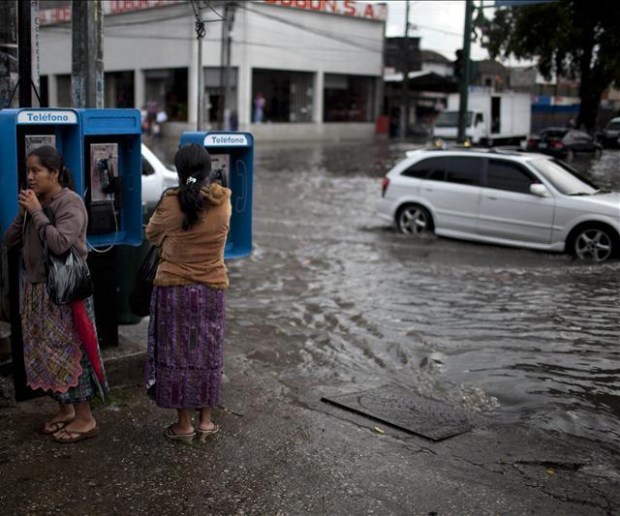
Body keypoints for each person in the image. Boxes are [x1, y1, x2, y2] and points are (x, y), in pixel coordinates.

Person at [3, 145, 108, 443]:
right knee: (46, 353)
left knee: (68, 353)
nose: (31, 177)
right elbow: (9, 240)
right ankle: (66, 410)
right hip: (37, 290)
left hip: (64, 293)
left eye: (37, 171)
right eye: (28, 171)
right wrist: (25, 213)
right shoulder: (36, 204)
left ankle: (85, 417)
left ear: (55, 172)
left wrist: (37, 213)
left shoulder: (70, 203)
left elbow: (60, 243)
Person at [145, 143, 231, 443]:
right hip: (211, 289)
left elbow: (151, 235)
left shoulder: (170, 203)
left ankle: (183, 425)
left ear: (179, 172)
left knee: (176, 353)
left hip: (173, 290)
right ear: (210, 170)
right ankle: (206, 421)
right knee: (208, 351)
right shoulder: (224, 203)